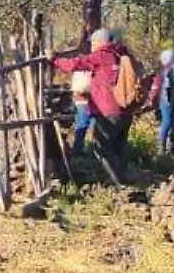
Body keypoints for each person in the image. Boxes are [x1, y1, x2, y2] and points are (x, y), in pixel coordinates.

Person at [54, 29, 134, 174]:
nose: (92, 46)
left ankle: (119, 184)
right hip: (126, 110)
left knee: (101, 149)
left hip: (107, 111)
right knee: (118, 149)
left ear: (101, 42)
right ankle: (125, 178)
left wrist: (54, 60)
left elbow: (75, 64)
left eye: (93, 43)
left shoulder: (102, 55)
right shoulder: (122, 54)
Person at [148, 48, 174, 151]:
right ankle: (166, 145)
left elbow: (157, 88)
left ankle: (164, 145)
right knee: (170, 122)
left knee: (167, 122)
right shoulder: (170, 71)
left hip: (165, 100)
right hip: (169, 100)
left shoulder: (162, 73)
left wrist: (154, 101)